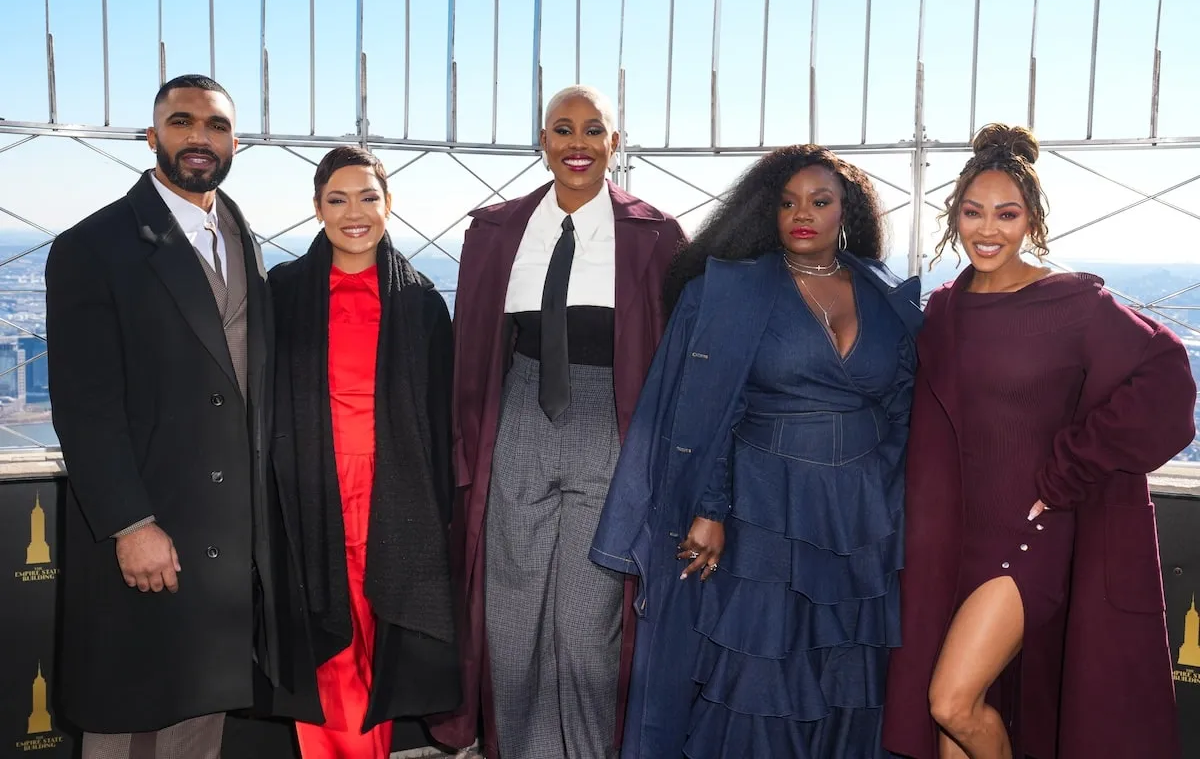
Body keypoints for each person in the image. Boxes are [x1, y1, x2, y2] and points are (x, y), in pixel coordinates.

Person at [590, 144, 922, 758]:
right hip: (761, 510)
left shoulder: (887, 295)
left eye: (820, 201)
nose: (803, 213)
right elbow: (709, 406)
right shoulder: (729, 294)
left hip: (860, 522)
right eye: (787, 201)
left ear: (846, 211)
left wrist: (891, 504)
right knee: (759, 677)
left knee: (847, 674)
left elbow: (905, 406)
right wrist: (710, 508)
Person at [881, 124, 1196, 759]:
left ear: (1032, 220)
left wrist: (1068, 471)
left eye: (1007, 214)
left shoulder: (1071, 302)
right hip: (951, 545)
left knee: (952, 702)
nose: (987, 229)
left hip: (1027, 540)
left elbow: (1166, 378)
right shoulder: (943, 309)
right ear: (954, 216)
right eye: (972, 212)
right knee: (950, 733)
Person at [428, 84, 685, 759]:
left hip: (613, 426)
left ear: (614, 144)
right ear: (542, 141)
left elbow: (683, 354)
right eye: (562, 129)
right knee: (509, 608)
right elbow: (470, 348)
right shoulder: (494, 232)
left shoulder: (657, 236)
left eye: (593, 129)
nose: (577, 142)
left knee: (588, 619)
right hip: (518, 416)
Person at [46, 74, 291, 759]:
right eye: (180, 123)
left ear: (233, 141)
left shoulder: (240, 234)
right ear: (152, 138)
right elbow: (84, 405)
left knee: (197, 718)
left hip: (225, 540)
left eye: (214, 126)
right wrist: (130, 524)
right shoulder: (93, 246)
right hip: (150, 528)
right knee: (131, 721)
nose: (198, 138)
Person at [269, 145, 460, 758]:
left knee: (383, 641)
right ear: (317, 208)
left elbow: (443, 411)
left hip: (395, 491)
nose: (355, 212)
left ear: (389, 203)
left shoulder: (422, 301)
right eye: (337, 198)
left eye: (368, 197)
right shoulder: (286, 289)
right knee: (327, 641)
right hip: (309, 487)